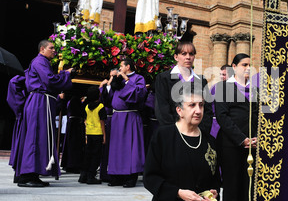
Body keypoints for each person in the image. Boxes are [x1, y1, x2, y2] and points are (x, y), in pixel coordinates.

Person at [144, 83, 221, 201]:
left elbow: (214, 179)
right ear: (179, 110)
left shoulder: (209, 141)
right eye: (192, 105)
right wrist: (178, 193)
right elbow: (150, 178)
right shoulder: (163, 137)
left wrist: (213, 193)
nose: (198, 110)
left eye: (201, 105)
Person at [15, 40, 73, 187]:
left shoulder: (42, 62)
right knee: (35, 137)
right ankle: (28, 175)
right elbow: (49, 80)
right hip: (39, 102)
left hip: (40, 102)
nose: (54, 51)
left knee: (39, 137)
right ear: (42, 49)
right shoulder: (40, 61)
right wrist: (66, 74)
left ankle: (32, 173)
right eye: (51, 48)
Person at [214, 53, 258, 201]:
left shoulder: (255, 89)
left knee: (248, 190)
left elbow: (259, 116)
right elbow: (223, 117)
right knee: (232, 190)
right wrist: (242, 139)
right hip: (231, 146)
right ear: (233, 66)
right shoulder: (223, 87)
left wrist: (256, 138)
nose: (247, 68)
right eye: (243, 64)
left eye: (249, 65)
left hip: (253, 147)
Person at [101, 57, 147, 187]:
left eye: (121, 66)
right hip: (117, 118)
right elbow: (110, 98)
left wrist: (127, 80)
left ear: (128, 67)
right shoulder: (118, 79)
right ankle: (116, 176)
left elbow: (139, 94)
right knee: (116, 148)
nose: (119, 68)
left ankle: (130, 177)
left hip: (130, 117)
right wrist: (111, 83)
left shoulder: (138, 78)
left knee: (130, 148)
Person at [154, 41, 213, 133]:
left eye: (191, 54)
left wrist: (201, 131)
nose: (188, 57)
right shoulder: (164, 78)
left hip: (197, 133)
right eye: (184, 54)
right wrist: (174, 132)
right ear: (176, 57)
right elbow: (162, 109)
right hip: (172, 132)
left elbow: (207, 109)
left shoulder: (201, 81)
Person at [79, 86, 107, 184]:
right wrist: (104, 135)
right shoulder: (100, 106)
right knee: (96, 156)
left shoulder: (86, 107)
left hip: (89, 132)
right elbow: (102, 121)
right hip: (98, 133)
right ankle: (91, 176)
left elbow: (85, 121)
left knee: (87, 155)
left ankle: (83, 176)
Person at [6, 75, 27, 182]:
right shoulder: (24, 79)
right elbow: (13, 81)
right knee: (21, 144)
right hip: (24, 117)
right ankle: (19, 174)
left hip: (24, 116)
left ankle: (19, 174)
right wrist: (22, 106)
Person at [210, 64, 231, 138]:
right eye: (221, 74)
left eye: (224, 75)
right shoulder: (216, 87)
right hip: (216, 124)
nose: (222, 77)